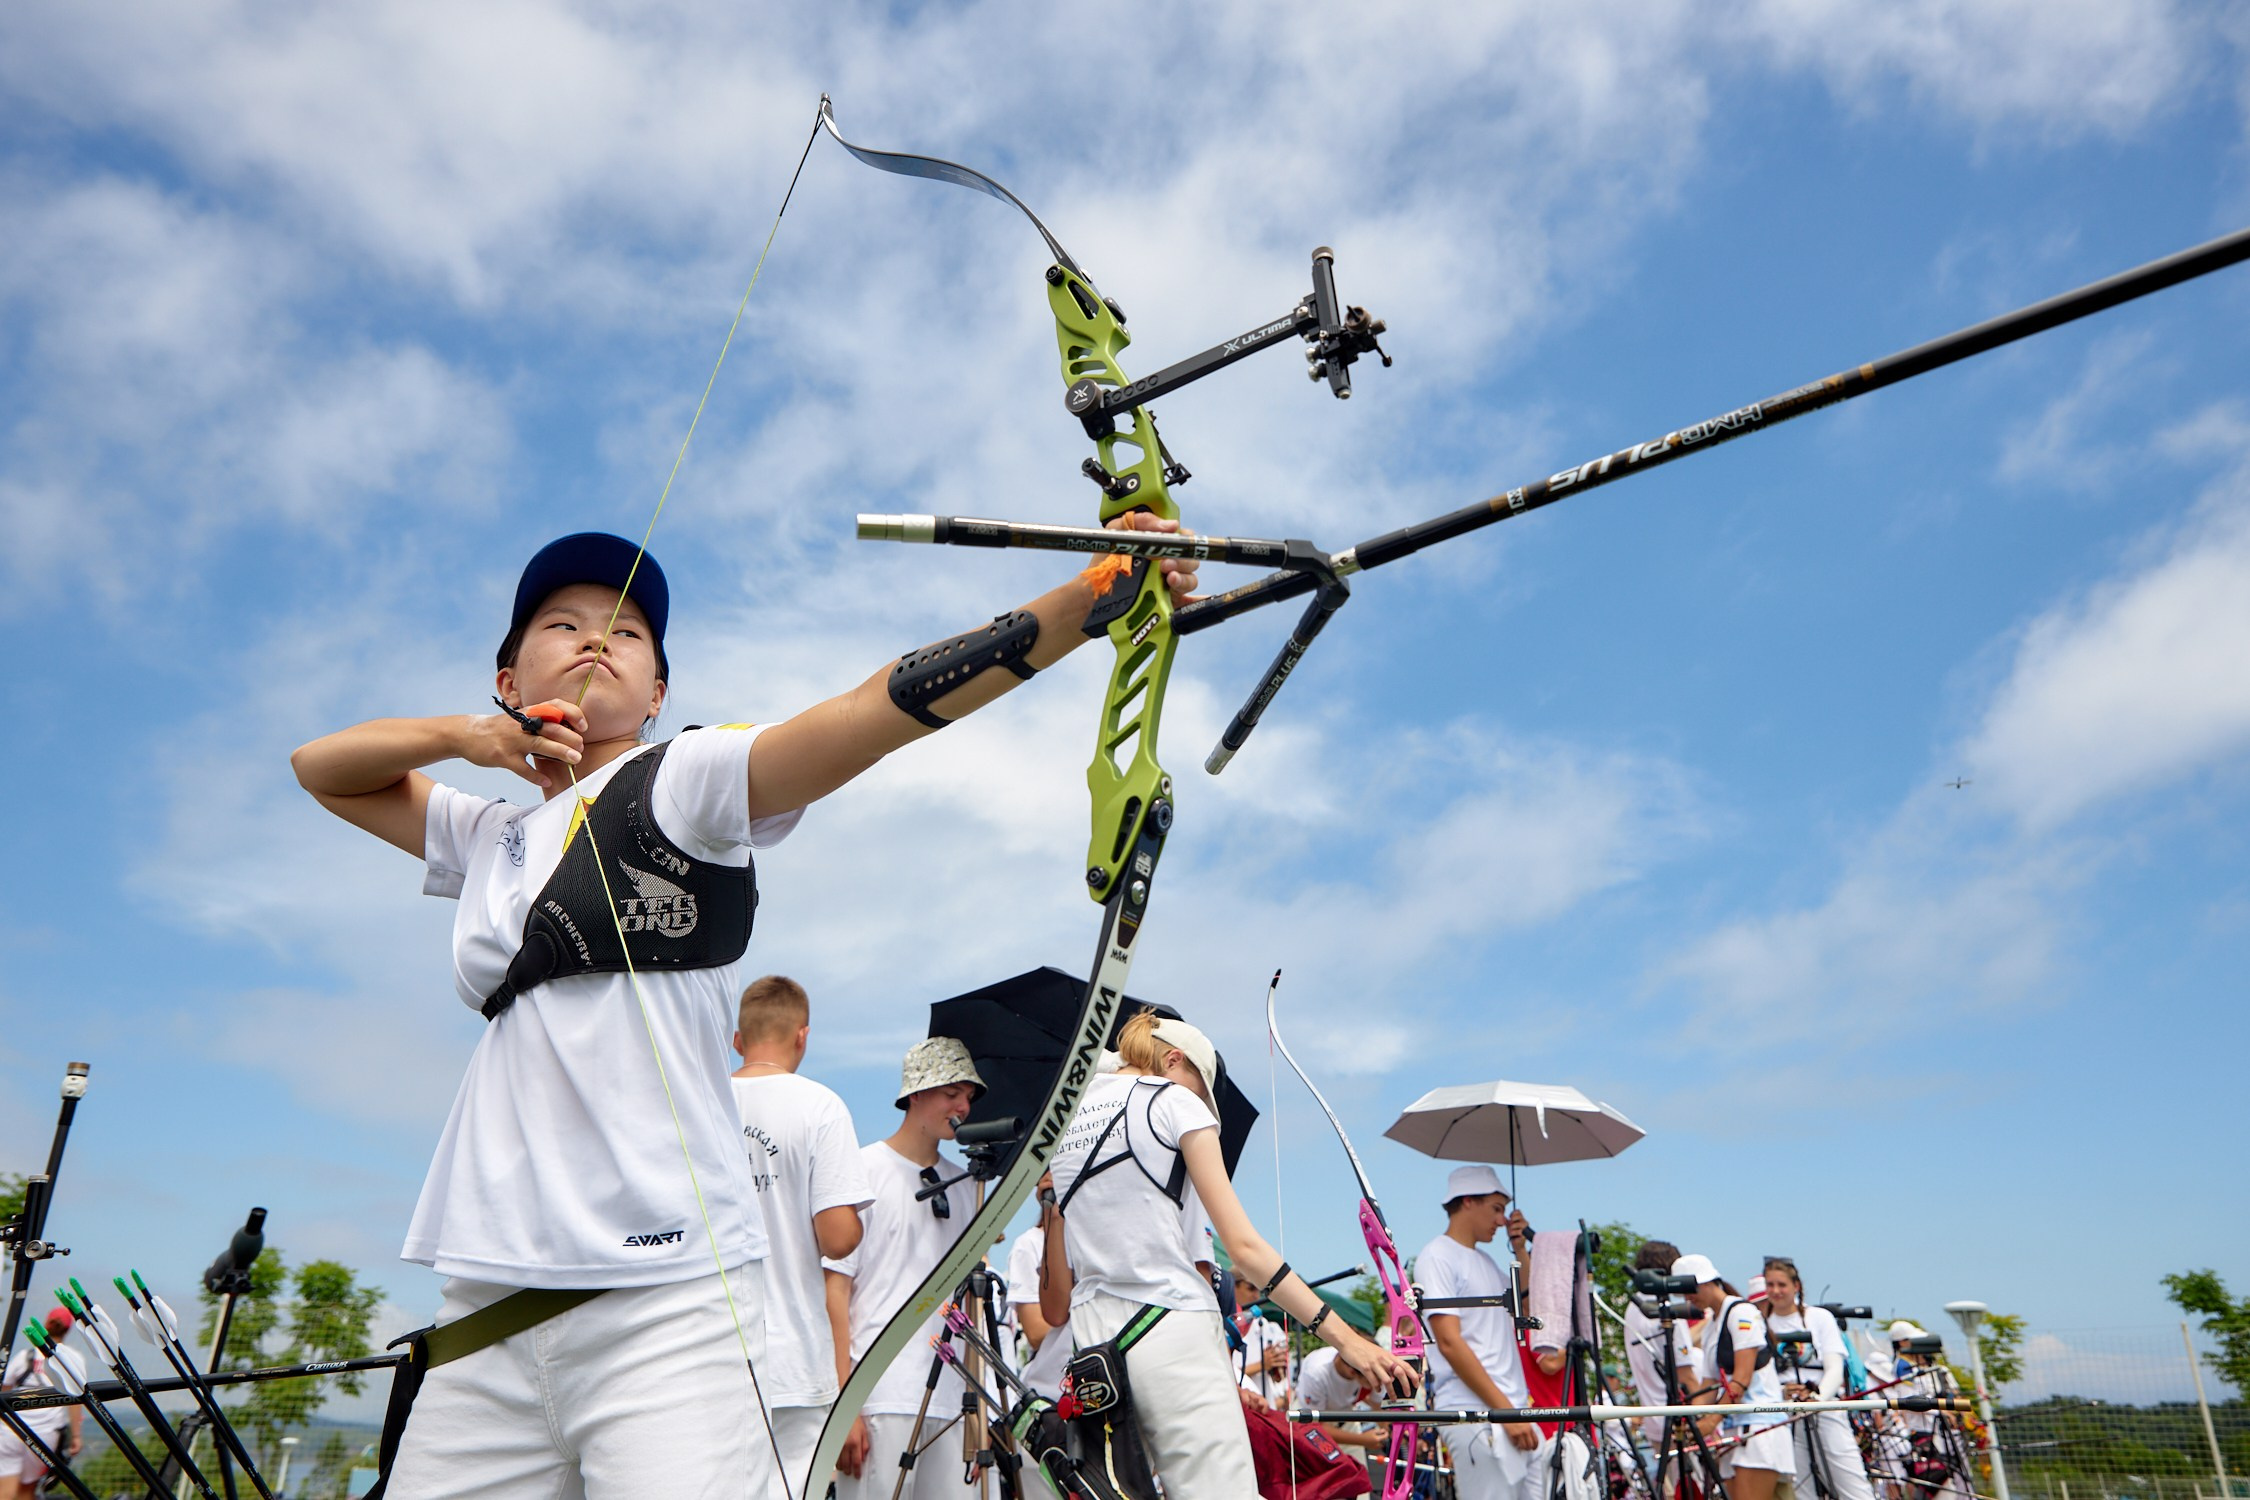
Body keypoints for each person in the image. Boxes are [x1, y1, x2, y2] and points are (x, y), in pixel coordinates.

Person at [291, 520, 1198, 1498]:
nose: (599, 640)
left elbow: (869, 713)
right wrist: (465, 739)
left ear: (660, 693)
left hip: (661, 1312)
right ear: (508, 678)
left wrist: (1078, 605)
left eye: (630, 634)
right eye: (562, 624)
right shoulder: (489, 837)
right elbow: (321, 767)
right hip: (487, 1311)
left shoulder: (683, 781)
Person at [1040, 1012, 1416, 1496]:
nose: (1200, 1101)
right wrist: (1348, 1340)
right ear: (1173, 1059)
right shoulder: (1173, 1101)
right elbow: (1243, 1247)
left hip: (1094, 1344)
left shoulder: (1066, 1119)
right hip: (1171, 1326)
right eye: (1200, 1089)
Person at [729, 974, 875, 1496]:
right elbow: (837, 1239)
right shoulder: (820, 1107)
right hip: (792, 1355)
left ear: (738, 1040)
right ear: (803, 1036)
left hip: (708, 1354)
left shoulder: (702, 1101)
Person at [826, 1037, 984, 1500]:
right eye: (951, 1092)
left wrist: (983, 1412)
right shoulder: (862, 1170)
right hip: (879, 1394)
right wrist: (843, 1405)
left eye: (969, 1096)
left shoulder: (967, 1189)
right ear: (916, 1093)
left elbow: (972, 1306)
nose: (963, 1105)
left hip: (954, 1397)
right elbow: (835, 1292)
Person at [1417, 1165, 1549, 1500]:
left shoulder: (1487, 1262)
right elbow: (1448, 1341)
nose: (1503, 1220)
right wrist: (1504, 1412)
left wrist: (1520, 1249)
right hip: (1478, 1415)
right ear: (1466, 1202)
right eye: (1496, 1208)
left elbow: (1526, 1307)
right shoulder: (1436, 1256)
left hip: (1511, 1411)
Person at [1676, 1254, 1790, 1500]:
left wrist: (1710, 1421)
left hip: (1759, 1425)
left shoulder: (1742, 1312)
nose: (1687, 1298)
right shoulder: (1711, 1325)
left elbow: (1742, 1378)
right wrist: (1691, 1422)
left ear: (1708, 1282)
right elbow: (1707, 1385)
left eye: (1690, 1290)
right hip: (1732, 1428)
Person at [1761, 1258, 1874, 1500]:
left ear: (1796, 1286)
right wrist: (1781, 1392)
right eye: (1770, 1285)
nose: (1776, 1291)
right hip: (1785, 1414)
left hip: (1824, 1409)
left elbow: (1834, 1366)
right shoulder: (1762, 1323)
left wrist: (1817, 1397)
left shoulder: (1819, 1317)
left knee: (1851, 1483)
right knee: (1802, 1488)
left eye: (1781, 1284)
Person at [0, 1311, 85, 1500]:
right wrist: (76, 1436)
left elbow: (3, 1394)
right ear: (67, 1330)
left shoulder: (25, 1356)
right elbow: (76, 1399)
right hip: (44, 1435)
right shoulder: (72, 1358)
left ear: (46, 1324)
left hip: (11, 1430)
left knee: (4, 1491)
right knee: (26, 1491)